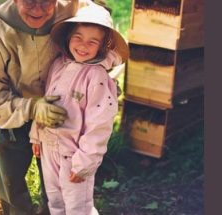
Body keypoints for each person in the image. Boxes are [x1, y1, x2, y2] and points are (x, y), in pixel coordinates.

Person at [0, 0, 92, 214]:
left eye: (46, 2)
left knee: (56, 181)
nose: (38, 10)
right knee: (12, 181)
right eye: (29, 1)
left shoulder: (76, 13)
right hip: (10, 113)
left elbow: (99, 40)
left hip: (58, 113)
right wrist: (32, 108)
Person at [29, 3, 129, 215]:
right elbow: (46, 102)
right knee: (55, 202)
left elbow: (99, 125)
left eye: (93, 42)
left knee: (78, 208)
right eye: (78, 37)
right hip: (49, 150)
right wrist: (36, 136)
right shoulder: (59, 64)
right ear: (68, 36)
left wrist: (84, 163)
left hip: (74, 156)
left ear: (102, 46)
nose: (83, 45)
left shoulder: (97, 77)